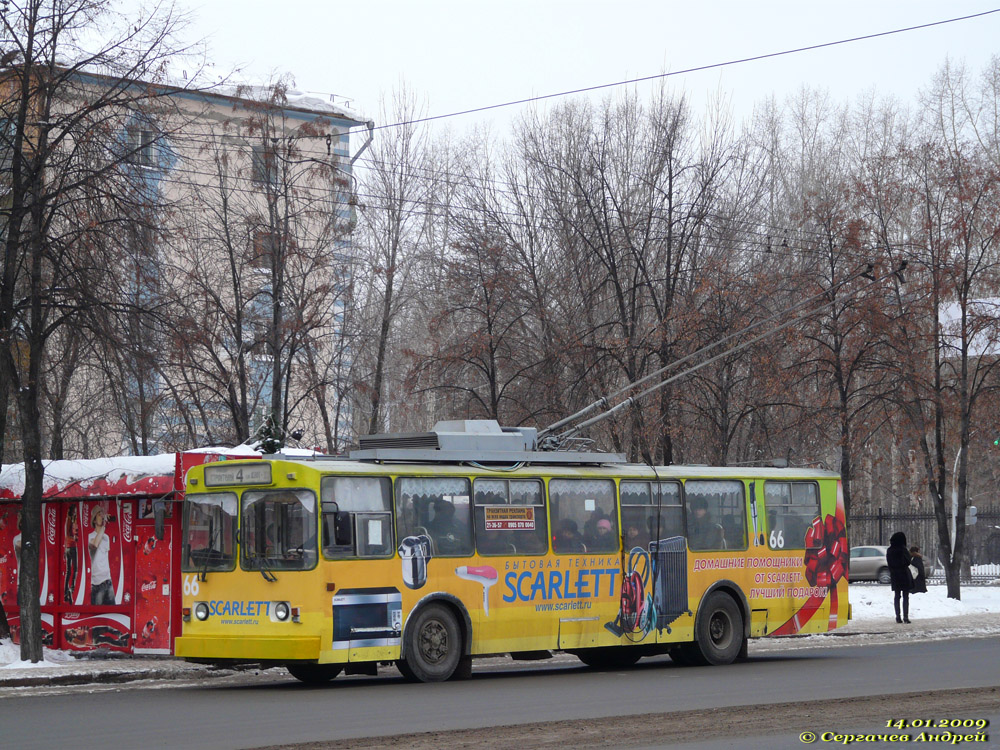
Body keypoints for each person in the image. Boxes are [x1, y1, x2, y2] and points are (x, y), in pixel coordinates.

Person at [88, 505, 115, 605]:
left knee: (113, 612)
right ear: (94, 520)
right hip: (97, 584)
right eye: (99, 515)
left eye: (102, 515)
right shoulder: (90, 537)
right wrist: (103, 527)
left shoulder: (106, 537)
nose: (102, 517)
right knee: (97, 615)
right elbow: (94, 544)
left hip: (108, 581)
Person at [886, 531, 913, 624]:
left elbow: (889, 563)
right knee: (906, 596)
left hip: (895, 575)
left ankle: (898, 617)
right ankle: (906, 617)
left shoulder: (889, 550)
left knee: (897, 596)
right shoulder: (903, 549)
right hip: (904, 574)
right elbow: (908, 561)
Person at [64, 510, 79, 603]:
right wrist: (74, 538)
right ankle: (71, 589)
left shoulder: (69, 521)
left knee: (68, 571)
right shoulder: (70, 521)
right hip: (72, 547)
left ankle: (66, 592)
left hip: (67, 548)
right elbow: (69, 534)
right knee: (75, 569)